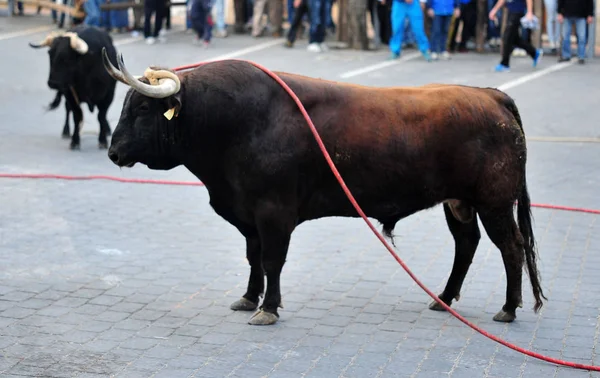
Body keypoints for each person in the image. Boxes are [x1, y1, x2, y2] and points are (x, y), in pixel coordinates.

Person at [489, 0, 543, 72]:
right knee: (515, 39)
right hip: (511, 10)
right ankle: (534, 52)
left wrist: (529, 11)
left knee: (507, 36)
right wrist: (495, 9)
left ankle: (505, 64)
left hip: (518, 10)